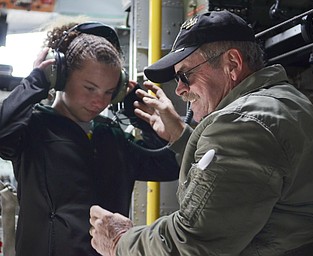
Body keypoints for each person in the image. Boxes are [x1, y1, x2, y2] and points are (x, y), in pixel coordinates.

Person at [89, 10, 313, 256]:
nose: (179, 90)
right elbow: (242, 178)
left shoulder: (242, 122)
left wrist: (120, 241)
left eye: (185, 75)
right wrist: (180, 136)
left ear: (232, 64)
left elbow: (192, 241)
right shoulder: (280, 101)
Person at [0, 21, 179, 256]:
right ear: (61, 78)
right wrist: (35, 83)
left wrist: (136, 113)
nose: (99, 101)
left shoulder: (113, 138)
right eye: (90, 88)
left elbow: (168, 166)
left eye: (108, 92)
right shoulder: (35, 128)